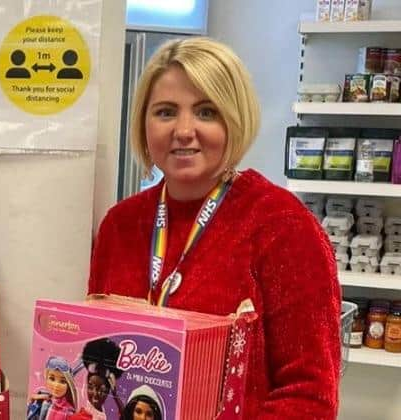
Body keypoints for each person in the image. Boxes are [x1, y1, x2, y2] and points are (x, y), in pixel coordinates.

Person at [88, 37, 341, 419]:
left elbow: (310, 395)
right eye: (166, 112)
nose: (184, 130)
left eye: (206, 112)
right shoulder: (120, 225)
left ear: (235, 119)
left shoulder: (283, 227)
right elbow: (97, 350)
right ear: (143, 122)